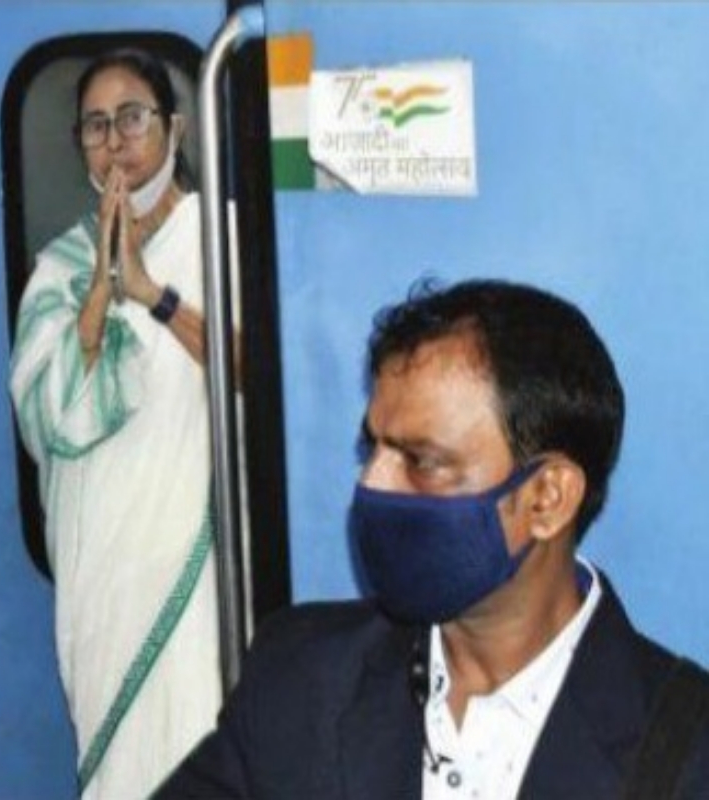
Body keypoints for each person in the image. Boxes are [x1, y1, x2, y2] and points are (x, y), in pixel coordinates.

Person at [157, 279, 709, 798]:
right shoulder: (302, 676)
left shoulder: (686, 749)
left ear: (547, 497)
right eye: (372, 449)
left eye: (421, 461)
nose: (371, 485)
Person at [9, 48, 222, 798]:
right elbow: (48, 419)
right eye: (95, 127)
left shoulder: (217, 239)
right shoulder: (58, 270)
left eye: (132, 118)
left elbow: (253, 374)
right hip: (103, 572)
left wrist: (151, 293)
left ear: (175, 129)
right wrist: (102, 288)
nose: (115, 142)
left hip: (193, 573)